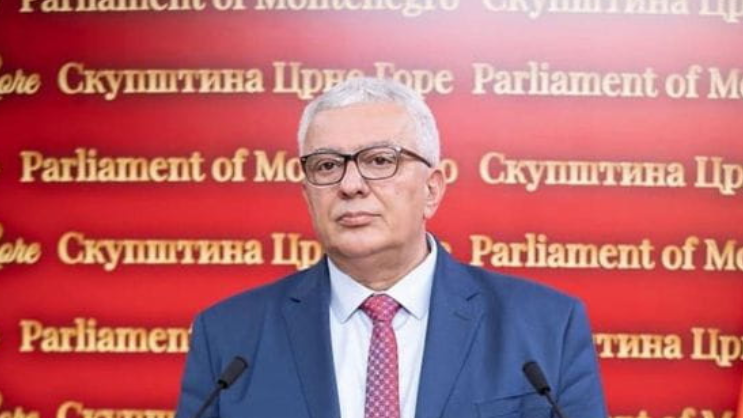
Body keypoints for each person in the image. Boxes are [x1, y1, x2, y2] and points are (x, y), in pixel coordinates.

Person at [175, 77, 607, 418]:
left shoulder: (546, 326)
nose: (350, 185)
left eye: (380, 160)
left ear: (432, 190)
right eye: (327, 165)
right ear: (308, 197)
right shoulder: (229, 337)